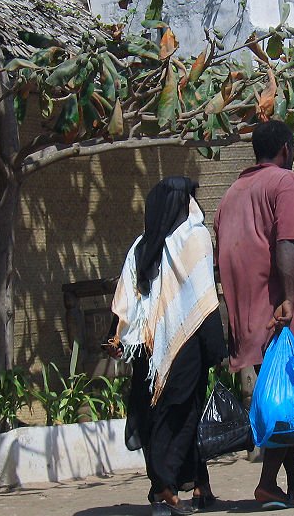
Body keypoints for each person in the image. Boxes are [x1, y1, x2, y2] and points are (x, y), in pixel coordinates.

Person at [214, 120, 294, 509]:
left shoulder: (232, 192)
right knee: (289, 395)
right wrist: (288, 301)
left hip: (245, 309)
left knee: (283, 396)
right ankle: (267, 483)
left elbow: (224, 255)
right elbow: (287, 242)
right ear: (285, 148)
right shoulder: (285, 181)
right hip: (279, 306)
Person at [105, 176, 227, 515]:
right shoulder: (195, 238)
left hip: (149, 349)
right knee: (179, 416)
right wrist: (218, 351)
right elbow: (205, 299)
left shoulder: (143, 244)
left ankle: (179, 485)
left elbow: (125, 296)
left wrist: (115, 335)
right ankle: (164, 486)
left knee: (158, 416)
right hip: (185, 347)